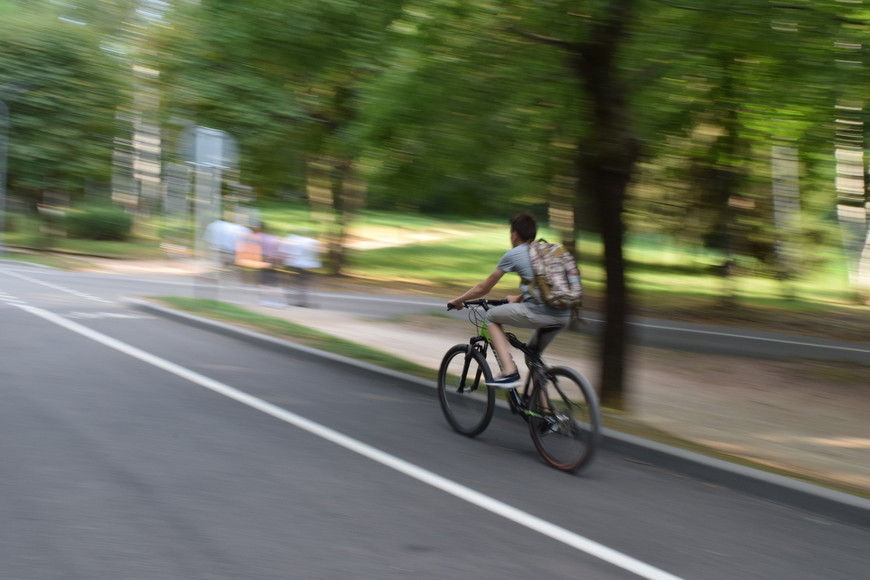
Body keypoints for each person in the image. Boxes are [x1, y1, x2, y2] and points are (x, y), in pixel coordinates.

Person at [448, 213, 571, 388]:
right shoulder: (546, 251)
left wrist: (458, 301)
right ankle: (544, 412)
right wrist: (519, 298)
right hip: (564, 315)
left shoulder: (514, 253)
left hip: (539, 313)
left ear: (514, 234)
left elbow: (484, 288)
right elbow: (543, 284)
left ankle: (509, 372)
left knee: (491, 316)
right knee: (533, 357)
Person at [280, 229, 323, 307]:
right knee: (303, 283)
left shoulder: (296, 240)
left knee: (300, 283)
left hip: (299, 264)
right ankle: (302, 301)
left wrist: (286, 261)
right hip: (309, 264)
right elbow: (317, 253)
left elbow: (292, 253)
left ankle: (301, 302)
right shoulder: (312, 241)